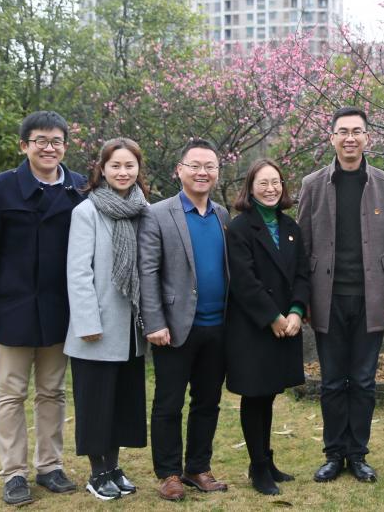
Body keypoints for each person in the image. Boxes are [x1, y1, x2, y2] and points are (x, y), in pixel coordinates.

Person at [0, 111, 86, 506]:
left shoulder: (79, 188)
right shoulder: (0, 188)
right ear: (24, 145)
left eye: (56, 141)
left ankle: (50, 466)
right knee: (10, 394)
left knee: (53, 392)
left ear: (65, 146)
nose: (49, 148)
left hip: (61, 310)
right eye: (40, 141)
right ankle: (14, 474)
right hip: (11, 309)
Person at [298, 106, 384, 484]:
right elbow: (302, 246)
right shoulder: (313, 184)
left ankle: (357, 454)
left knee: (362, 381)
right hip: (326, 298)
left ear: (367, 138)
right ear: (332, 138)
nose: (349, 138)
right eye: (342, 131)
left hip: (371, 298)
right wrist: (302, 299)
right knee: (331, 381)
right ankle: (333, 454)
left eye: (356, 131)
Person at [138, 139, 230, 501]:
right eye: (195, 165)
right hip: (174, 327)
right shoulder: (158, 213)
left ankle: (197, 468)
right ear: (180, 170)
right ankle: (169, 473)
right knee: (169, 403)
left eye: (210, 166)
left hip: (217, 326)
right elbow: (148, 271)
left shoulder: (222, 215)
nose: (202, 172)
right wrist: (154, 321)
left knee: (208, 402)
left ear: (217, 172)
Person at [65, 138, 151, 500]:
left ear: (138, 169)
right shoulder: (87, 211)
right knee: (96, 405)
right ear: (102, 169)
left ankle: (114, 468)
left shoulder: (143, 209)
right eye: (115, 165)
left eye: (129, 165)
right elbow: (78, 272)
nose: (123, 172)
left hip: (130, 327)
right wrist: (87, 323)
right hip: (97, 327)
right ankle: (96, 473)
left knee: (121, 404)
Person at [224, 159, 311, 495]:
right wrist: (272, 317)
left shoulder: (291, 226)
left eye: (276, 182)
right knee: (255, 394)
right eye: (263, 183)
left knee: (270, 393)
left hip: (286, 323)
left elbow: (302, 273)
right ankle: (258, 467)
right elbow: (243, 280)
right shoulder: (240, 228)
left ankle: (266, 459)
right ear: (250, 188)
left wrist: (295, 311)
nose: (271, 189)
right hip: (253, 326)